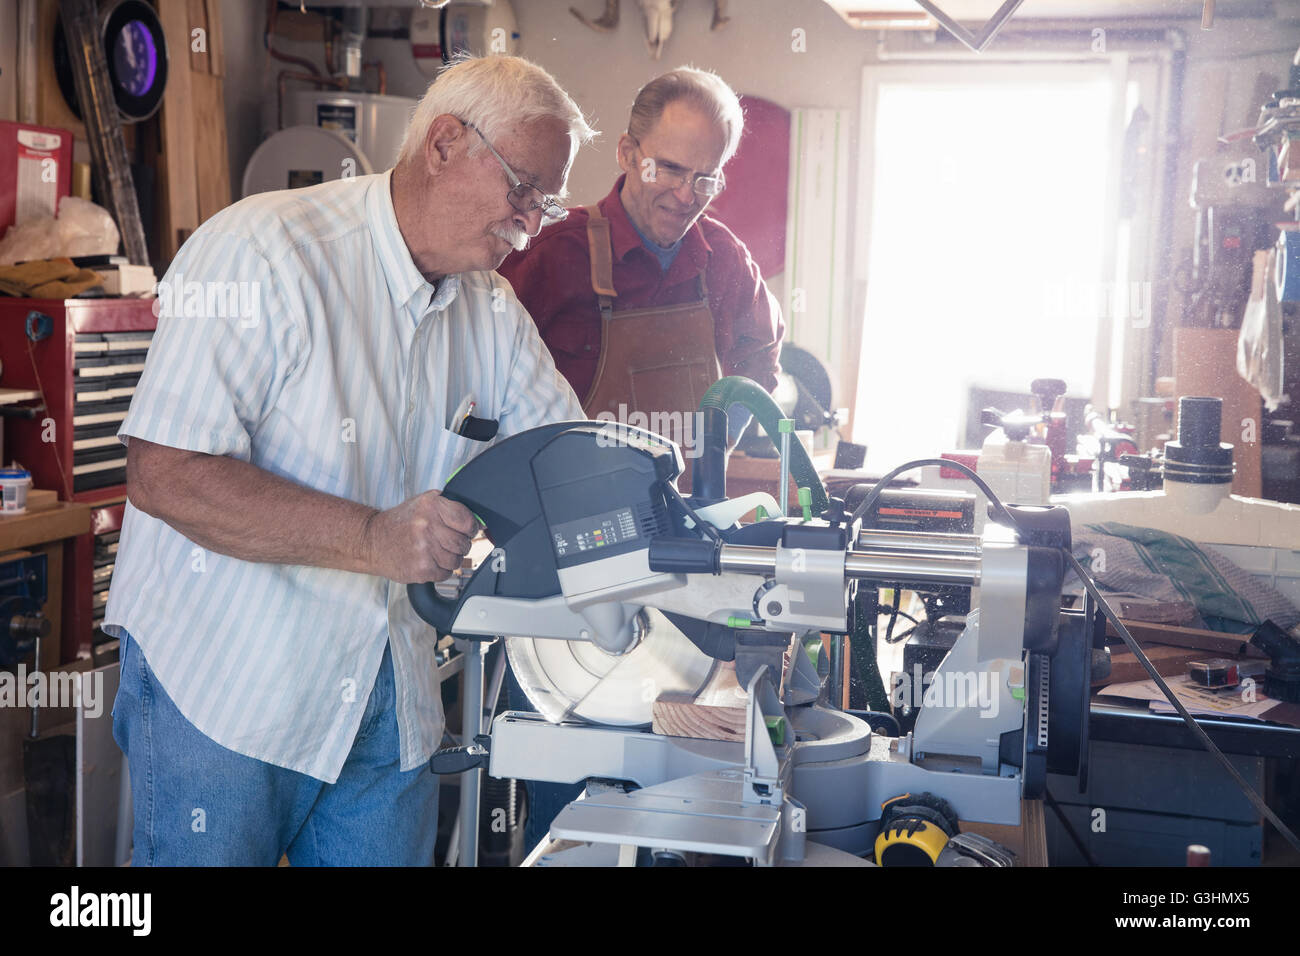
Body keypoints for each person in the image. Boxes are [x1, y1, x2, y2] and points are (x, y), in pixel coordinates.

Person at [104, 55, 594, 866]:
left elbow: (567, 467)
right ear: (444, 143)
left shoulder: (493, 314)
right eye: (523, 190)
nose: (533, 223)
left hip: (386, 695)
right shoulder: (263, 254)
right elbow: (165, 474)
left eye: (548, 201)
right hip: (227, 688)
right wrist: (373, 537)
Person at [497, 65, 785, 851]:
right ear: (626, 151)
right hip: (568, 595)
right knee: (573, 807)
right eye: (668, 168)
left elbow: (761, 387)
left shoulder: (724, 263)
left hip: (692, 576)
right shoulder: (547, 262)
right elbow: (479, 399)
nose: (687, 194)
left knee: (695, 808)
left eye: (708, 177)